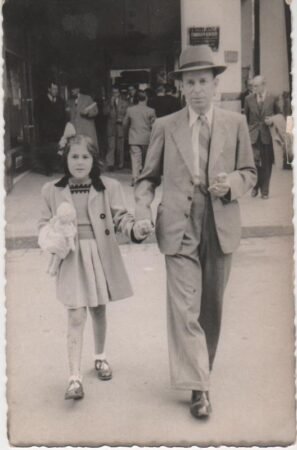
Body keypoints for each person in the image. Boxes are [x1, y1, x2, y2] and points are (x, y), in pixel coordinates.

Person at [134, 45, 256, 419]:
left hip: (219, 225)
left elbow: (250, 173)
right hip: (178, 227)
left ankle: (202, 367)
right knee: (185, 309)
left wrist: (231, 183)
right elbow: (146, 179)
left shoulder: (234, 124)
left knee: (211, 310)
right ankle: (199, 388)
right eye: (191, 82)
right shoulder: (164, 126)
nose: (198, 89)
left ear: (216, 85)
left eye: (204, 81)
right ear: (182, 88)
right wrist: (141, 210)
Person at [38, 134, 143, 400]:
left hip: (100, 254)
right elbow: (42, 225)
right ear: (66, 159)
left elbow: (122, 218)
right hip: (71, 256)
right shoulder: (51, 190)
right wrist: (55, 234)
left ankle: (100, 357)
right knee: (75, 315)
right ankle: (74, 377)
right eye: (74, 156)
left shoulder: (109, 186)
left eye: (86, 156)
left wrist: (136, 229)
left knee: (98, 309)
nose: (80, 162)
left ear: (94, 160)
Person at [244, 75, 282, 199]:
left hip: (267, 136)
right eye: (252, 86)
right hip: (253, 136)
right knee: (254, 164)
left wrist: (272, 120)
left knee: (266, 164)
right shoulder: (248, 99)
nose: (253, 88)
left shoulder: (273, 98)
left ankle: (265, 191)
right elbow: (246, 119)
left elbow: (281, 115)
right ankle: (255, 186)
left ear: (263, 85)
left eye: (256, 86)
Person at [123, 90, 156, 186]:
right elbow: (154, 125)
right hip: (147, 138)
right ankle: (145, 178)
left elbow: (125, 123)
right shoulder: (151, 110)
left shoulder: (130, 110)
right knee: (147, 159)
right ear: (146, 98)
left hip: (134, 137)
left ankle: (135, 177)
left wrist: (127, 133)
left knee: (135, 159)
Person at [37, 80, 66, 175]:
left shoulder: (61, 101)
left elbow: (64, 115)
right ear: (49, 89)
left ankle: (56, 166)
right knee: (47, 149)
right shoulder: (41, 101)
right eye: (53, 88)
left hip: (58, 130)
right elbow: (37, 116)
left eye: (56, 89)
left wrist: (62, 128)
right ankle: (48, 169)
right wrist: (43, 128)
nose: (55, 90)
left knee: (58, 148)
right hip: (46, 130)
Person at [66, 79, 99, 153]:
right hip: (75, 131)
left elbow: (95, 111)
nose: (72, 91)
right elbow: (69, 116)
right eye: (70, 89)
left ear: (78, 89)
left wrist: (87, 113)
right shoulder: (69, 101)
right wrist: (67, 112)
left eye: (73, 89)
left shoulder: (87, 98)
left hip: (86, 130)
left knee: (89, 150)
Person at [104, 85, 129, 171]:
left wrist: (122, 119)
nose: (115, 94)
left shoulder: (125, 103)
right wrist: (110, 105)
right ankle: (110, 164)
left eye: (116, 92)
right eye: (113, 92)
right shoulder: (107, 102)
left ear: (119, 93)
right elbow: (105, 113)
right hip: (111, 127)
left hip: (120, 127)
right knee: (111, 147)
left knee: (120, 148)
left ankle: (120, 164)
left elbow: (127, 115)